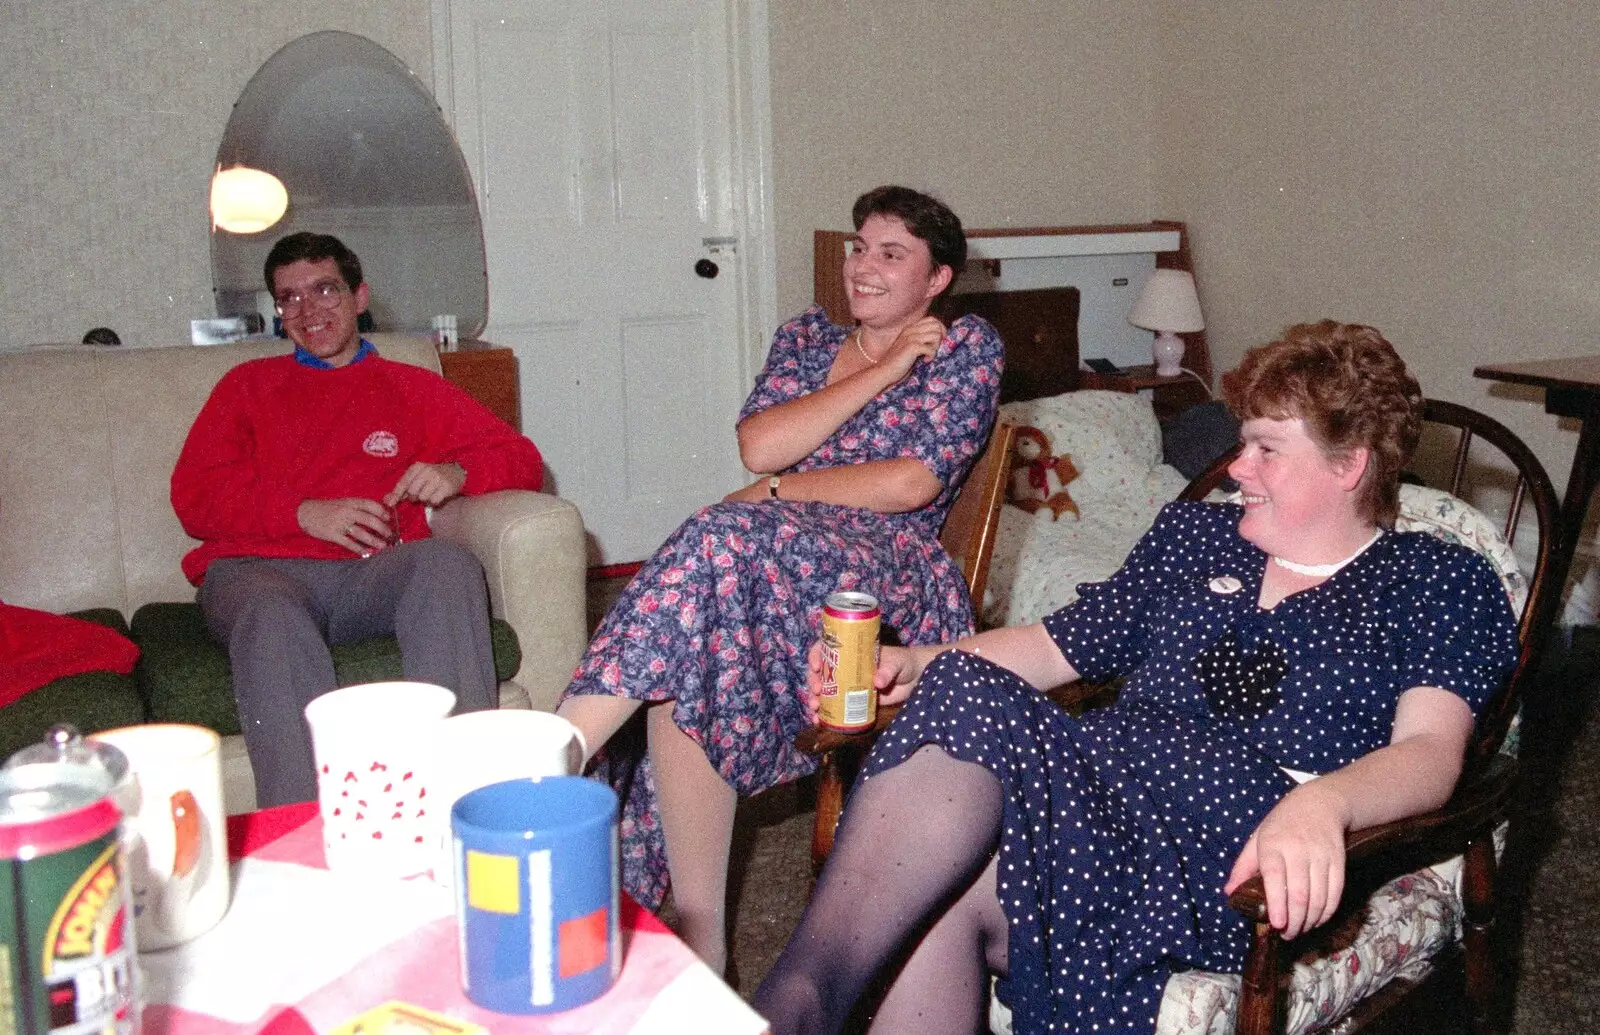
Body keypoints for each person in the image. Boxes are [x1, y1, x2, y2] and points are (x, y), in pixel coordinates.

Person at [752, 320, 1520, 1035]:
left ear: (1349, 464)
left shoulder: (1434, 578)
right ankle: (795, 1006)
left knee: (938, 817)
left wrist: (1327, 801)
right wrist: (912, 664)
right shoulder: (1196, 535)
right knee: (925, 879)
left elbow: (1430, 752)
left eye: (1264, 449)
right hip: (1101, 794)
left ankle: (789, 1008)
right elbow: (1054, 647)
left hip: (1233, 844)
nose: (1235, 466)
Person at [557, 186, 1004, 972]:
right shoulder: (806, 337)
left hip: (891, 579)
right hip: (777, 560)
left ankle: (554, 758)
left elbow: (910, 483)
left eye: (891, 254)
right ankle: (702, 930)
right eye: (858, 247)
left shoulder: (967, 345)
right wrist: (884, 364)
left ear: (937, 280)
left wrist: (773, 496)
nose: (863, 268)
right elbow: (761, 445)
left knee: (717, 540)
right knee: (702, 621)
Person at [171, 232, 543, 808]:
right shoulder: (246, 388)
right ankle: (302, 829)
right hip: (257, 573)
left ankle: (472, 804)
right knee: (271, 614)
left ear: (359, 295)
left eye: (324, 290)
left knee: (446, 564)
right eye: (288, 298)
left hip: (372, 576)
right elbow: (194, 495)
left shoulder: (413, 388)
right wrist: (302, 514)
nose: (308, 310)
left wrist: (458, 473)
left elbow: (521, 457)